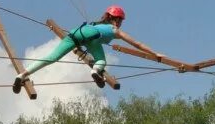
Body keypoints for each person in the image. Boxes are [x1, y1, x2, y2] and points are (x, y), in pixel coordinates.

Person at [13, 5, 161, 91]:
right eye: (121, 20)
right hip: (92, 41)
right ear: (117, 19)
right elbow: (137, 44)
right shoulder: (115, 30)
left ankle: (22, 75)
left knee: (51, 58)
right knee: (101, 60)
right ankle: (95, 70)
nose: (121, 23)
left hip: (75, 34)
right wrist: (155, 53)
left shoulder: (96, 24)